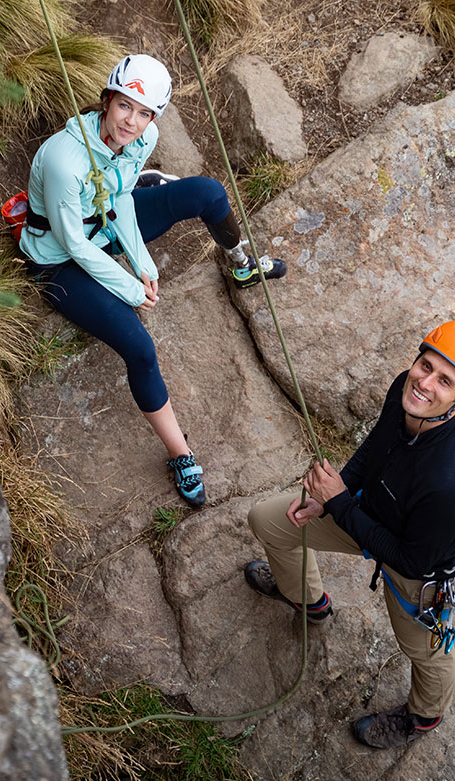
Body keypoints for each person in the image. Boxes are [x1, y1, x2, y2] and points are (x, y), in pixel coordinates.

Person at [19, 54, 286, 505]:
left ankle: (241, 263)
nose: (132, 122)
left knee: (208, 192)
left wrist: (142, 263)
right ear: (107, 100)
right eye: (125, 106)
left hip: (103, 220)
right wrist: (129, 288)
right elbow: (72, 246)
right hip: (57, 259)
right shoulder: (65, 160)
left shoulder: (145, 136)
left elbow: (120, 197)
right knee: (140, 347)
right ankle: (181, 454)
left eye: (145, 114)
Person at [242, 320, 455, 748]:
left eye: (444, 380)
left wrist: (341, 503)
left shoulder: (450, 484)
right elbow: (373, 448)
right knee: (269, 521)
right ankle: (309, 603)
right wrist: (328, 498)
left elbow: (410, 560)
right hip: (368, 513)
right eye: (425, 365)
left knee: (425, 651)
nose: (424, 383)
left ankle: (424, 717)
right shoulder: (406, 393)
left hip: (423, 570)